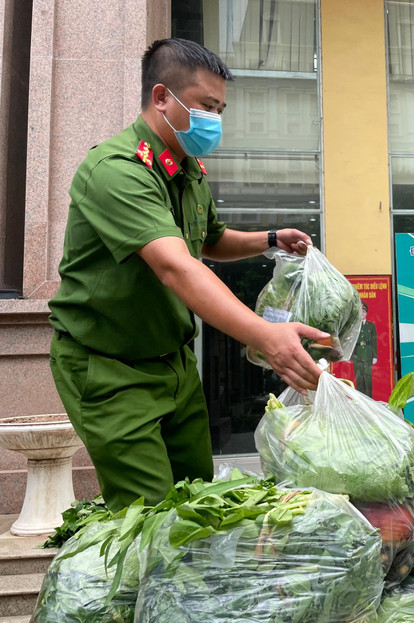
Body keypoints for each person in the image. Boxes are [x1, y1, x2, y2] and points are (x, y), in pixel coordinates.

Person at [47, 38, 327, 512]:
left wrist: (269, 238)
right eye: (205, 106)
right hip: (111, 366)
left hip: (172, 363)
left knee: (197, 497)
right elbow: (176, 265)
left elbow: (208, 238)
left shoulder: (187, 170)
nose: (214, 120)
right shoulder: (117, 170)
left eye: (220, 109)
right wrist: (266, 335)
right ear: (162, 98)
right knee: (151, 513)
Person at [351, 301, 378, 397]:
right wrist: (351, 355)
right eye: (360, 311)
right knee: (359, 379)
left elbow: (374, 341)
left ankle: (369, 399)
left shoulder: (371, 326)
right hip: (357, 354)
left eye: (363, 311)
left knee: (367, 378)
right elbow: (352, 341)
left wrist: (375, 356)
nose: (361, 314)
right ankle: (360, 399)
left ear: (366, 313)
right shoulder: (354, 326)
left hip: (367, 354)